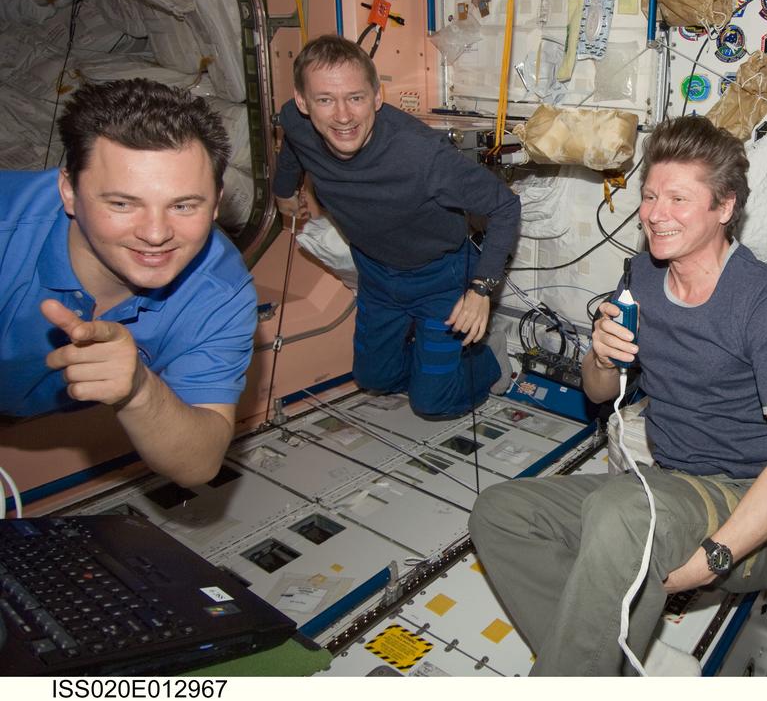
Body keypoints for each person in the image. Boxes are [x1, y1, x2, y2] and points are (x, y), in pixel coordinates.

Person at [468, 116, 767, 675]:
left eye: (679, 199)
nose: (656, 213)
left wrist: (711, 560)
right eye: (650, 195)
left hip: (753, 510)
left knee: (619, 513)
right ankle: (595, 661)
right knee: (498, 512)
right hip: (663, 488)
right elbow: (598, 394)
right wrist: (600, 354)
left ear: (725, 207)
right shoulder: (640, 277)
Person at [0, 80, 256, 486]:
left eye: (184, 205)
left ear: (216, 201)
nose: (155, 234)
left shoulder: (222, 292)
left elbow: (200, 463)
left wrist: (139, 389)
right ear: (69, 190)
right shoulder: (6, 233)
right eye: (122, 203)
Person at [273, 35, 520, 418]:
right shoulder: (294, 119)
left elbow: (505, 206)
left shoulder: (422, 155)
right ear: (303, 102)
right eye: (325, 100)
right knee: (374, 378)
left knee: (432, 404)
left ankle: (490, 361)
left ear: (376, 97)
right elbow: (293, 143)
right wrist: (283, 190)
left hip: (440, 278)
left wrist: (482, 289)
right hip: (375, 272)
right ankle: (433, 368)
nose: (342, 116)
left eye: (355, 98)